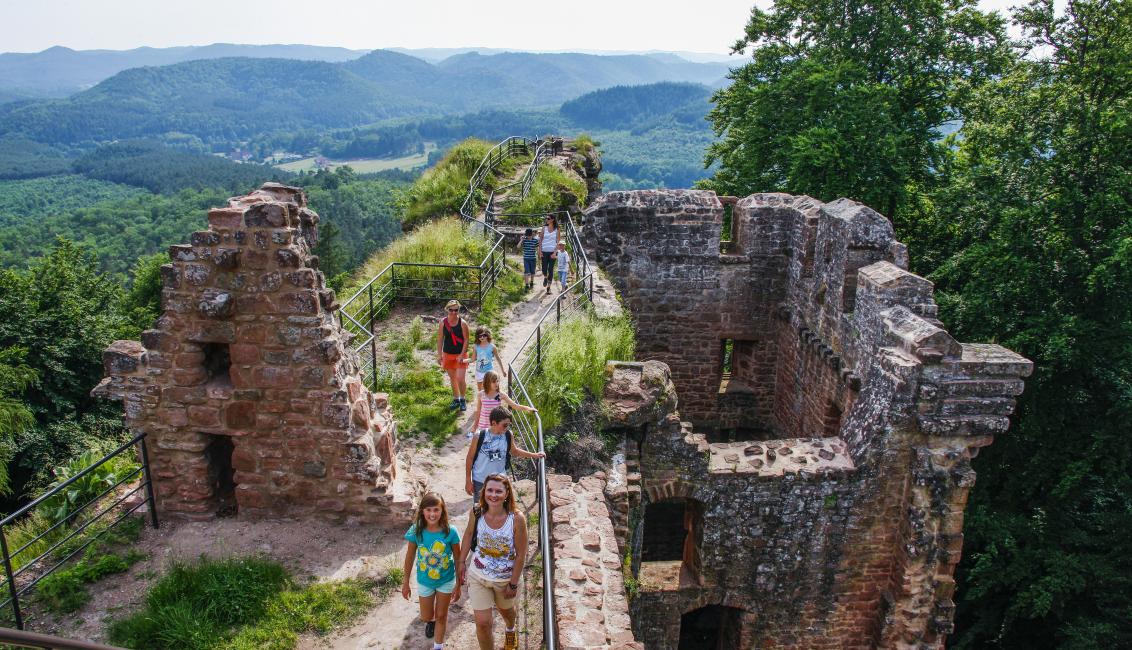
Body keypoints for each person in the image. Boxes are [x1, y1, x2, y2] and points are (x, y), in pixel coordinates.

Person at [458, 473, 528, 650]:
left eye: (499, 491)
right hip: (478, 575)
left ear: (506, 494)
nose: (493, 495)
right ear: (484, 492)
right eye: (490, 490)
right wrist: (460, 562)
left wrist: (513, 584)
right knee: (483, 623)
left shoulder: (517, 519)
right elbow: (467, 535)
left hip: (505, 579)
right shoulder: (477, 511)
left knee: (507, 612)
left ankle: (511, 630)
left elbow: (521, 554)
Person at [401, 492, 461, 649]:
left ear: (442, 511)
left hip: (446, 580)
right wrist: (405, 581)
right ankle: (431, 621)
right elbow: (409, 556)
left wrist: (459, 584)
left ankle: (438, 646)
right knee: (427, 615)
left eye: (436, 510)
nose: (432, 514)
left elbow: (458, 558)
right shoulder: (416, 531)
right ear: (422, 511)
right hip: (425, 581)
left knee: (442, 615)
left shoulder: (450, 531)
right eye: (429, 510)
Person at [465, 407, 544, 501]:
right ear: (494, 423)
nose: (507, 428)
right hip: (480, 480)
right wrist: (468, 480)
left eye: (509, 425)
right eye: (505, 425)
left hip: (500, 480)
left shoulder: (508, 435)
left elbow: (515, 451)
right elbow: (470, 458)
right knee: (479, 508)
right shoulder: (479, 436)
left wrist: (534, 455)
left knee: (499, 507)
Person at [468, 371, 536, 439]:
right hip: (483, 426)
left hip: (496, 427)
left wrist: (527, 408)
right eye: (494, 382)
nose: (496, 383)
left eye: (497, 381)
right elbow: (478, 412)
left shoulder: (500, 395)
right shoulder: (481, 395)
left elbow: (514, 405)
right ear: (487, 382)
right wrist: (474, 428)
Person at [437, 299, 470, 411]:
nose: (454, 312)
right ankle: (456, 399)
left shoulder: (463, 323)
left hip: (460, 355)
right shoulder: (443, 323)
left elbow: (466, 340)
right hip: (447, 354)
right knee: (453, 378)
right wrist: (439, 354)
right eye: (451, 310)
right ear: (447, 309)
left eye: (456, 310)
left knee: (460, 378)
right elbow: (440, 339)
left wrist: (461, 355)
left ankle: (463, 399)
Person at [467, 327, 500, 393]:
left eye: (484, 335)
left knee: (492, 389)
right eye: (480, 336)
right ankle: (482, 403)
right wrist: (463, 360)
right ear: (477, 336)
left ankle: (493, 402)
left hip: (489, 371)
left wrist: (503, 370)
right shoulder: (476, 346)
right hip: (479, 372)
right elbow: (473, 359)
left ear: (487, 335)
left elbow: (498, 358)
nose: (482, 337)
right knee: (481, 391)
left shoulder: (492, 347)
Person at [538, 214, 559, 293]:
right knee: (544, 269)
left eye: (548, 218)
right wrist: (540, 251)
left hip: (552, 252)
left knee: (550, 269)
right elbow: (540, 240)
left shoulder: (557, 229)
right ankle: (545, 277)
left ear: (553, 220)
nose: (547, 219)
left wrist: (555, 252)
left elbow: (558, 241)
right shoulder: (544, 228)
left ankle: (549, 288)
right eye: (546, 218)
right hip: (544, 251)